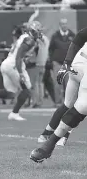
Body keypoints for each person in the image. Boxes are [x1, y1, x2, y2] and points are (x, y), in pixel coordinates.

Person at [30, 27, 87, 163]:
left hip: (76, 64)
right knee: (82, 107)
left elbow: (80, 36)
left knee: (69, 105)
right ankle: (49, 144)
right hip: (81, 66)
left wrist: (66, 63)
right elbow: (80, 36)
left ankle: (47, 138)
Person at [0, 21, 43, 121]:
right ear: (32, 31)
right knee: (27, 89)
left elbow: (19, 54)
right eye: (38, 31)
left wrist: (24, 58)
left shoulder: (23, 37)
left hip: (7, 64)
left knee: (10, 94)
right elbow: (18, 57)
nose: (39, 33)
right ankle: (14, 113)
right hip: (13, 66)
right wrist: (20, 73)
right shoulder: (29, 40)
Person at [49, 18, 75, 107]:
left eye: (66, 24)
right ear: (60, 25)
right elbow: (51, 49)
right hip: (57, 63)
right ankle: (58, 102)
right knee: (57, 83)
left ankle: (68, 102)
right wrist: (52, 60)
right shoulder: (55, 36)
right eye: (63, 24)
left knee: (69, 84)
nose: (64, 25)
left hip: (68, 63)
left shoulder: (72, 35)